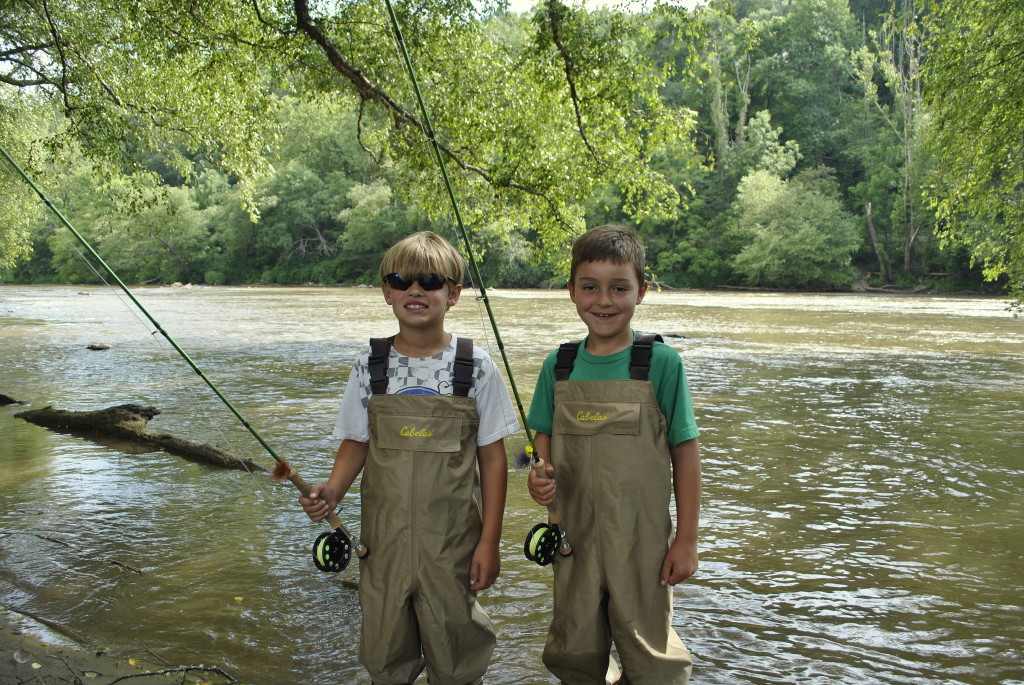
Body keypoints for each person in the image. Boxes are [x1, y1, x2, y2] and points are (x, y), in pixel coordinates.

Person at [300, 231, 518, 685]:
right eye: (400, 280)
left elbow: (494, 460)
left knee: (456, 649)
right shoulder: (370, 363)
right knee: (384, 650)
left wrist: (489, 543)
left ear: (454, 293)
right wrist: (332, 492)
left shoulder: (475, 365)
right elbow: (357, 442)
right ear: (386, 292)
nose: (414, 290)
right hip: (383, 545)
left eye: (430, 280)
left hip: (453, 544)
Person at [527, 224, 701, 685]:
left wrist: (686, 538)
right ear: (572, 291)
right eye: (590, 287)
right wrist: (538, 476)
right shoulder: (557, 364)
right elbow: (540, 439)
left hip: (642, 539)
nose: (603, 301)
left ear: (641, 292)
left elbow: (685, 451)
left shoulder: (662, 363)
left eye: (619, 288)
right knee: (575, 645)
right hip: (572, 536)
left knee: (651, 654)